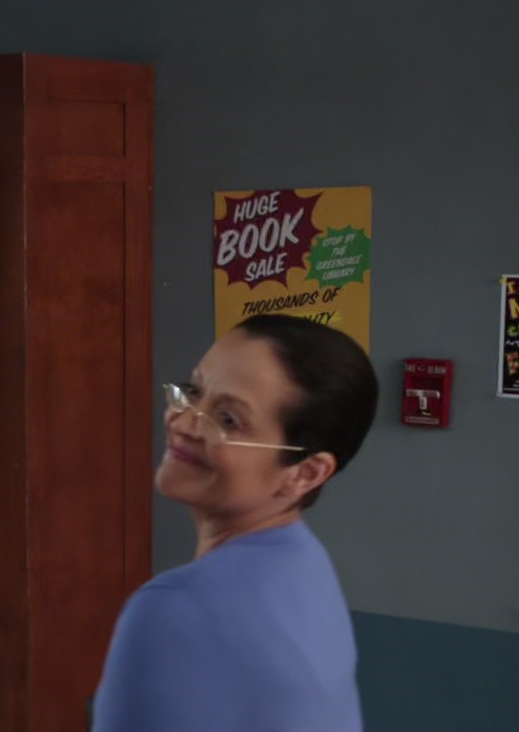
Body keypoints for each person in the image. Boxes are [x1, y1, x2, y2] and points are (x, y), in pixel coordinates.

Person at [93, 314, 379, 732]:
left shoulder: (174, 609)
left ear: (305, 473)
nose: (182, 422)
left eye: (228, 419)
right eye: (193, 391)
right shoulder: (306, 564)